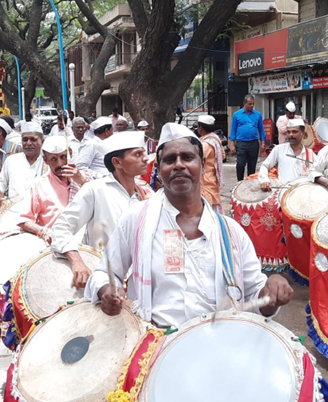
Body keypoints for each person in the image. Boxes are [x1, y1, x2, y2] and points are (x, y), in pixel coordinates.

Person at [85, 123, 293, 327]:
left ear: (202, 165)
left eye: (187, 157)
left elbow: (254, 297)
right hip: (154, 346)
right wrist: (106, 290)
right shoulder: (137, 219)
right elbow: (104, 272)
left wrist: (270, 292)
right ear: (158, 169)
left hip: (219, 345)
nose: (178, 165)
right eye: (169, 160)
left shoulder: (231, 232)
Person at [51, 131, 151, 288]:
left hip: (143, 280)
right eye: (138, 154)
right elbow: (61, 228)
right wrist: (77, 261)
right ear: (117, 162)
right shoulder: (95, 190)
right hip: (106, 282)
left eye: (144, 153)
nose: (145, 158)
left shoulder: (145, 193)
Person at [17, 136, 88, 242]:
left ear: (70, 154)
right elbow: (23, 220)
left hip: (87, 242)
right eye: (53, 159)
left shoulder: (85, 178)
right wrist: (43, 231)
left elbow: (102, 202)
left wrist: (81, 180)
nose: (60, 163)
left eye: (63, 157)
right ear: (45, 160)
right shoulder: (38, 185)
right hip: (56, 243)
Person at [259, 119, 313, 189]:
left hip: (303, 193)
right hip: (283, 193)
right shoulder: (279, 149)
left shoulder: (309, 153)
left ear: (302, 133)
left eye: (295, 132)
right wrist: (264, 180)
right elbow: (265, 165)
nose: (291, 135)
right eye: (288, 132)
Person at [229, 94, 267, 181]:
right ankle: (239, 182)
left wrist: (263, 143)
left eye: (253, 104)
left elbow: (261, 129)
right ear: (244, 103)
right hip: (241, 143)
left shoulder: (257, 114)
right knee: (240, 164)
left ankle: (250, 183)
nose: (252, 106)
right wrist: (232, 144)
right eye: (250, 104)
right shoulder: (237, 114)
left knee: (252, 165)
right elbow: (233, 129)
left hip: (253, 143)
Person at [197, 115, 225, 213]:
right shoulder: (216, 140)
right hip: (212, 179)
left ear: (200, 128)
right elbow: (223, 155)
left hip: (205, 181)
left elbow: (197, 157)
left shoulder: (206, 144)